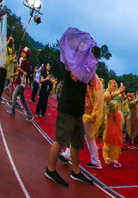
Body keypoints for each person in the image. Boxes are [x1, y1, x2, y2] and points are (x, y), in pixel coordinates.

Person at [45, 44, 100, 187]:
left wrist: (93, 67)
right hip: (67, 107)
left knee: (76, 141)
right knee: (60, 139)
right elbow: (75, 77)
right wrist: (87, 65)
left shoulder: (88, 67)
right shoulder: (74, 62)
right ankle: (50, 169)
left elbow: (93, 83)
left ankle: (76, 172)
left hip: (78, 109)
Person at [7, 47, 33, 121]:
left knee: (14, 95)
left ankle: (12, 110)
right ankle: (29, 114)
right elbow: (20, 72)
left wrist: (21, 70)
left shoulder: (27, 63)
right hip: (20, 81)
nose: (22, 53)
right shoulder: (23, 61)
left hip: (22, 83)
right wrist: (14, 74)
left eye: (24, 53)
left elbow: (27, 74)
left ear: (26, 54)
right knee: (23, 99)